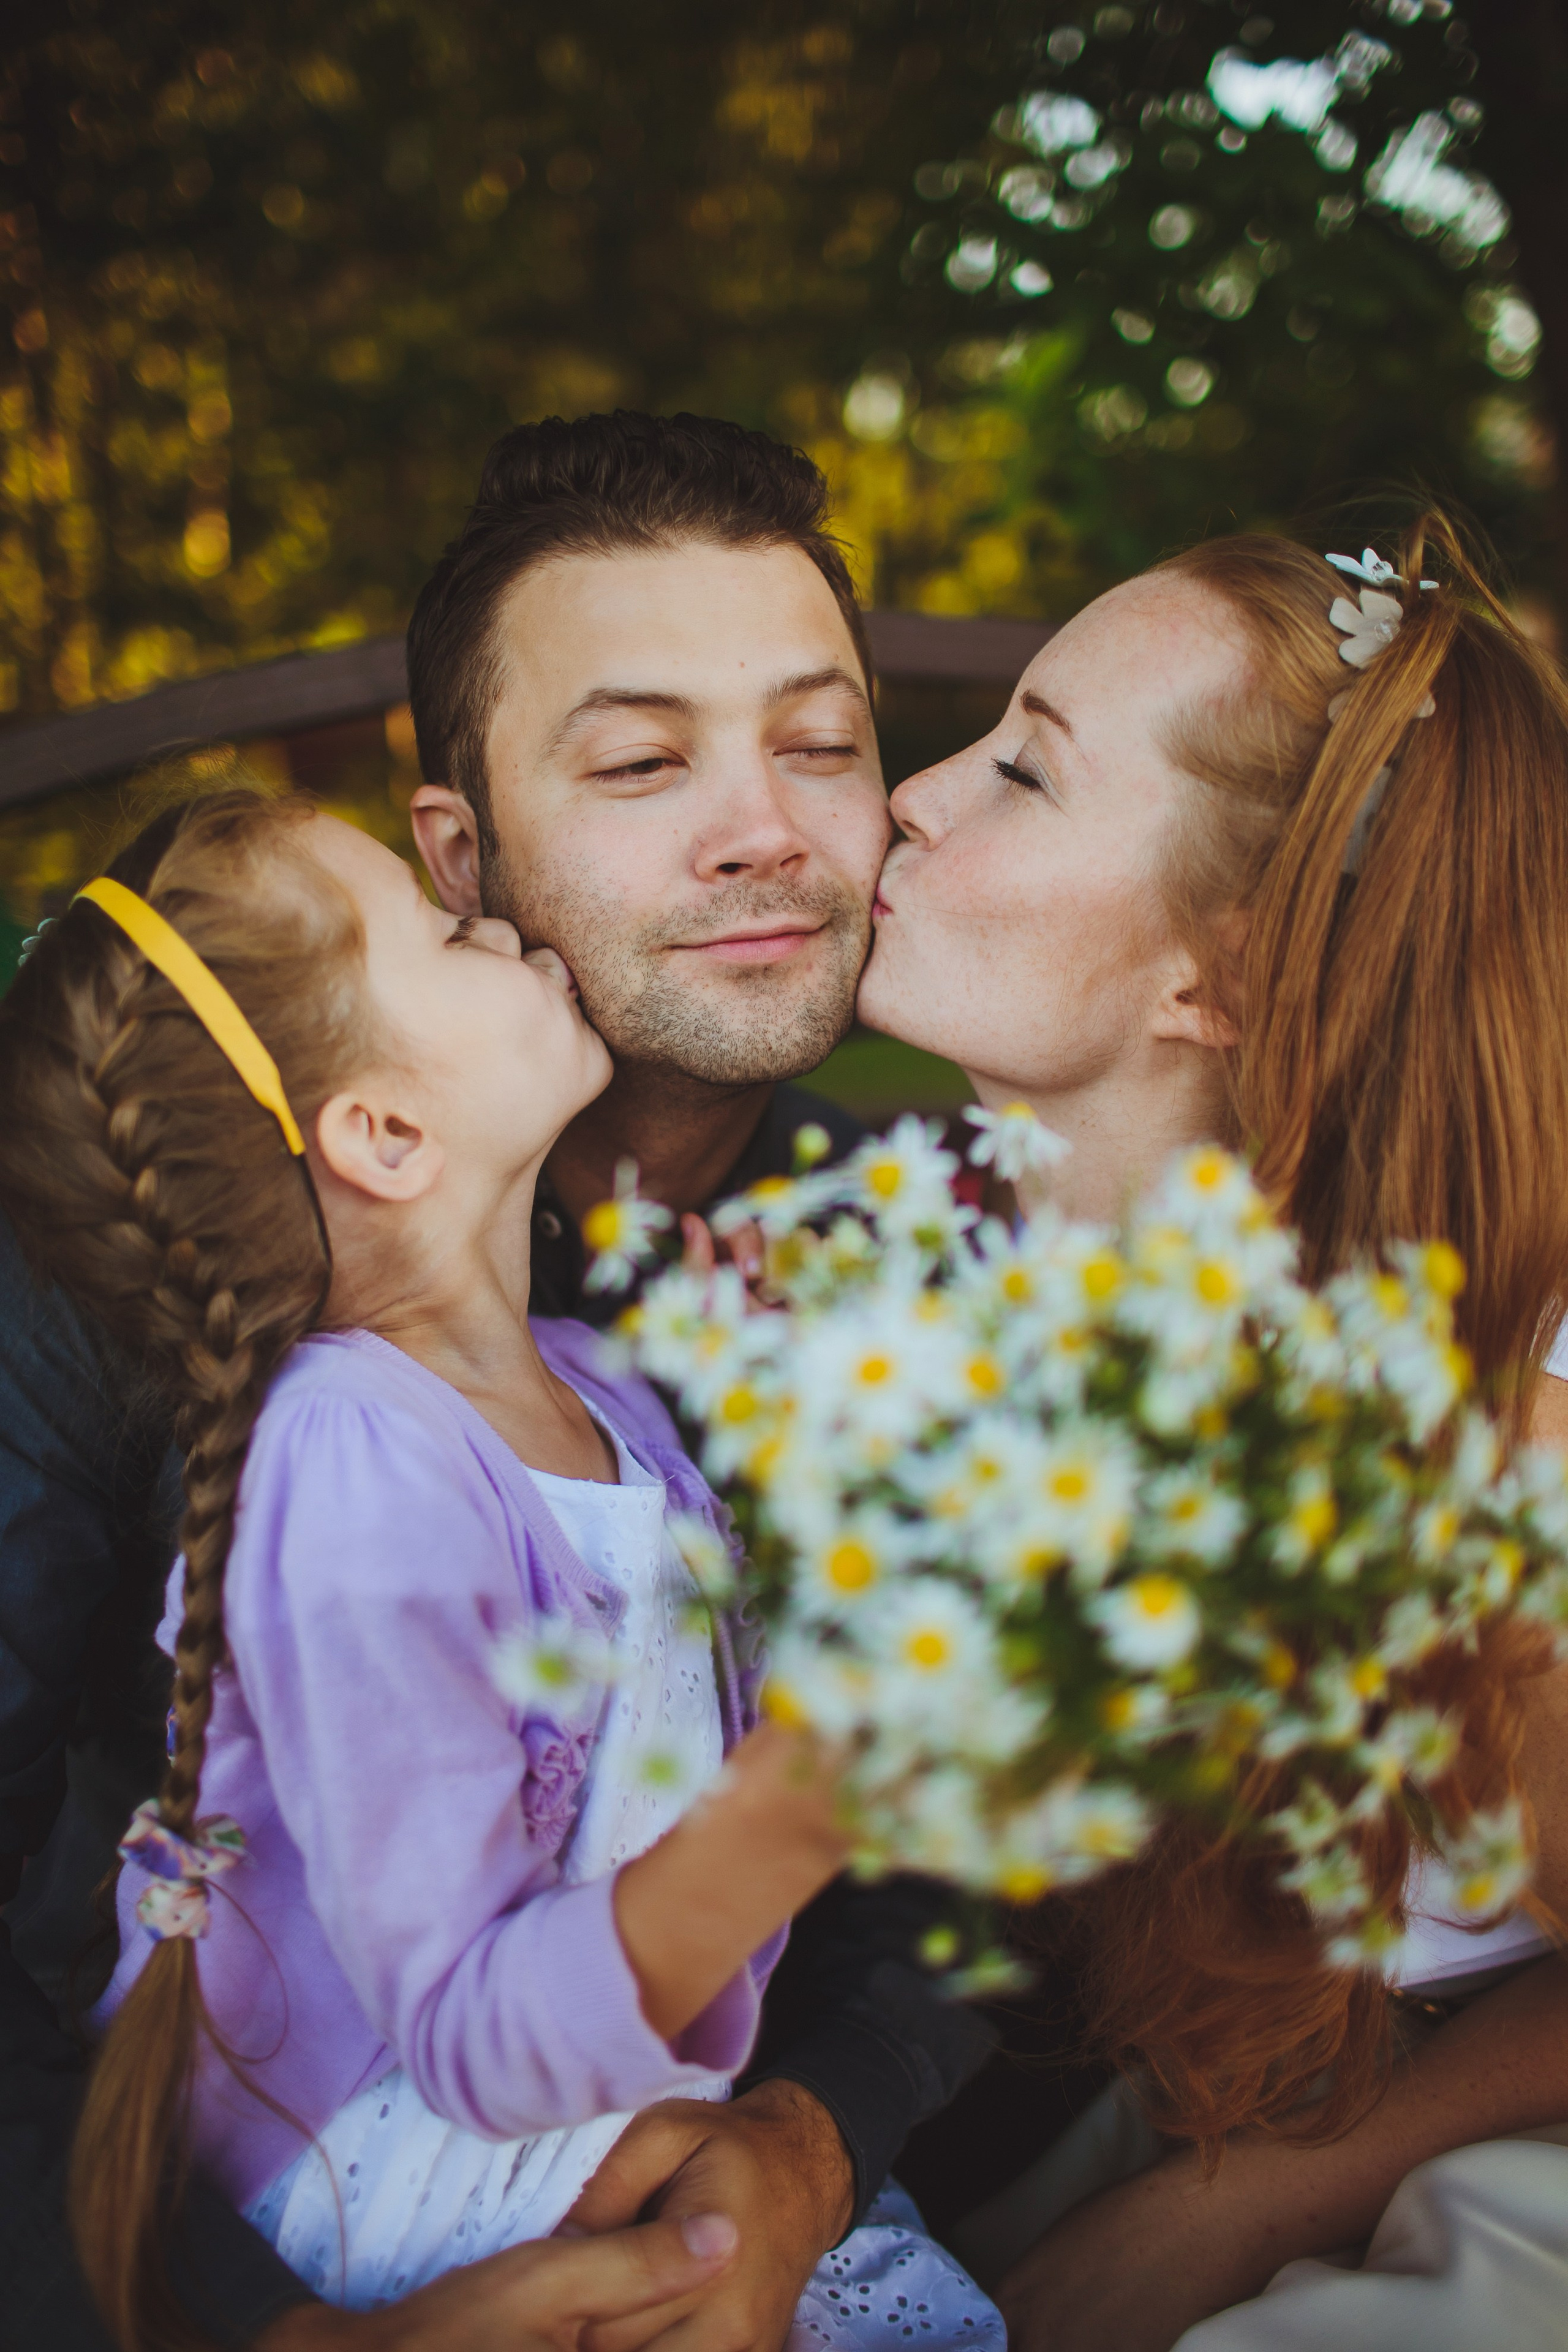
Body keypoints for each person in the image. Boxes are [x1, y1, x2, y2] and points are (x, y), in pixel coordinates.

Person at [0, 412, 997, 2351]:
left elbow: (952, 1888)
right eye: (638, 761)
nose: (767, 829)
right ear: (458, 860)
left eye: (822, 741)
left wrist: (806, 2145)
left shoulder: (893, 1274)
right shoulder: (141, 1255)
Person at [855, 513, 1568, 2351]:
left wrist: (1242, 2209)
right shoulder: (1016, 1318)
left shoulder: (1479, 1451)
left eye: (1024, 766)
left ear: (1220, 976)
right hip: (1227, 2073)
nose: (910, 798)